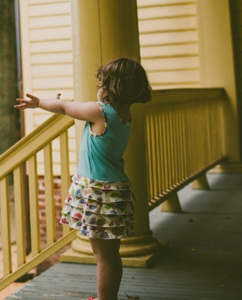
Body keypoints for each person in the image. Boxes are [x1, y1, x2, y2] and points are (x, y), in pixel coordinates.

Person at [14, 57, 152, 300]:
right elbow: (67, 106)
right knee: (111, 254)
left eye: (103, 83)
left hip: (98, 191)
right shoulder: (124, 113)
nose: (99, 87)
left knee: (104, 257)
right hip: (115, 189)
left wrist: (40, 103)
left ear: (112, 88)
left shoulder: (100, 112)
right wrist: (57, 103)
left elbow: (67, 108)